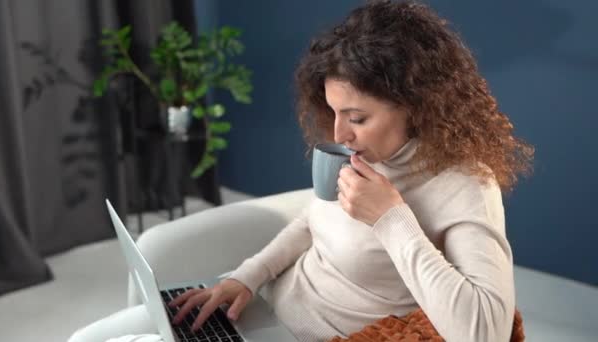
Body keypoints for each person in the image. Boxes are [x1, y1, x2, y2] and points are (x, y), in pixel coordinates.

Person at [70, 1, 534, 341]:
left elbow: (486, 332)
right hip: (265, 307)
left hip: (316, 336)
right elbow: (313, 222)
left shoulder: (464, 185)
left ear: (417, 106)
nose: (339, 134)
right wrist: (244, 277)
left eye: (357, 118)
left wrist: (392, 219)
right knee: (88, 340)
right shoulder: (362, 156)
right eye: (333, 112)